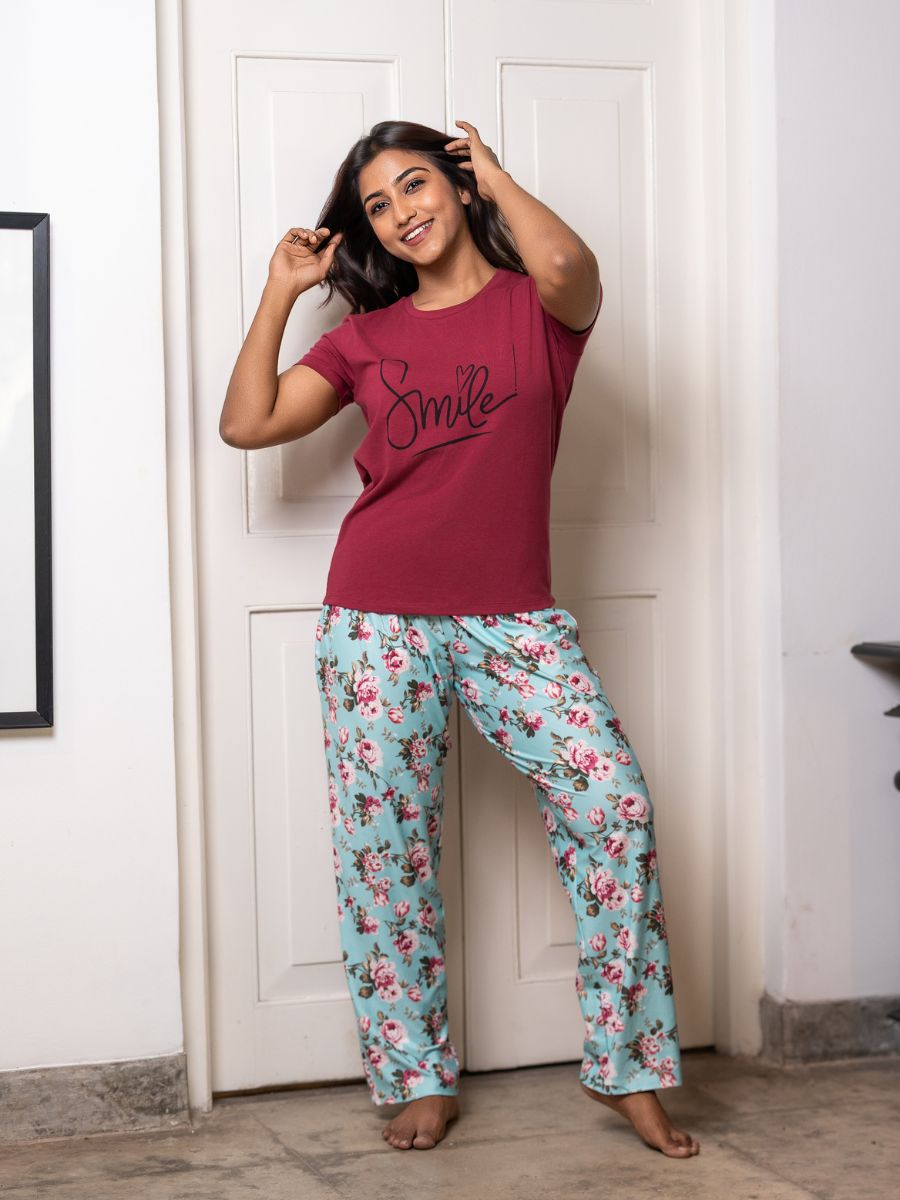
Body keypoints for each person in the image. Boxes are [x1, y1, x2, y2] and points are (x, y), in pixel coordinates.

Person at [219, 119, 699, 1160]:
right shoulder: (365, 341)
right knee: (385, 855)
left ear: (461, 182)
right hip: (377, 616)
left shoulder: (541, 311)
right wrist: (281, 291)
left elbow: (569, 259)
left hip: (515, 619)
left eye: (417, 183)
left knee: (612, 804)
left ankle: (627, 1068)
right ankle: (417, 1074)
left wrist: (499, 175)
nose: (402, 213)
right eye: (379, 206)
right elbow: (248, 423)